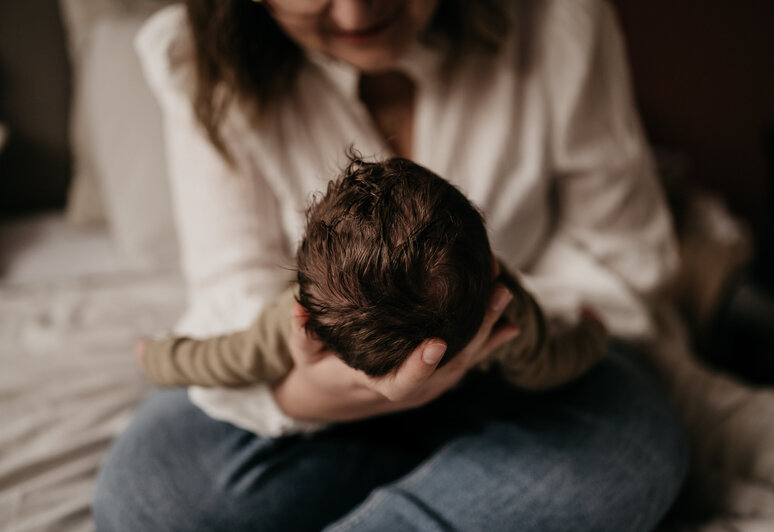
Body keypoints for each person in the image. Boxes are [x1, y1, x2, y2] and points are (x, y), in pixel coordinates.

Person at [94, 0, 688, 530]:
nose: (355, 14)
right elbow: (229, 316)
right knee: (151, 497)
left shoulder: (558, 18)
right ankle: (464, 472)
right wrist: (307, 394)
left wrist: (539, 334)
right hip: (313, 387)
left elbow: (610, 263)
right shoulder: (203, 60)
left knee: (633, 449)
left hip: (504, 371)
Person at [136, 155, 608, 393]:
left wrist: (155, 356)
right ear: (490, 267)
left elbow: (214, 360)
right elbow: (547, 366)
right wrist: (593, 335)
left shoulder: (293, 322)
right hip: (463, 410)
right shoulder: (508, 309)